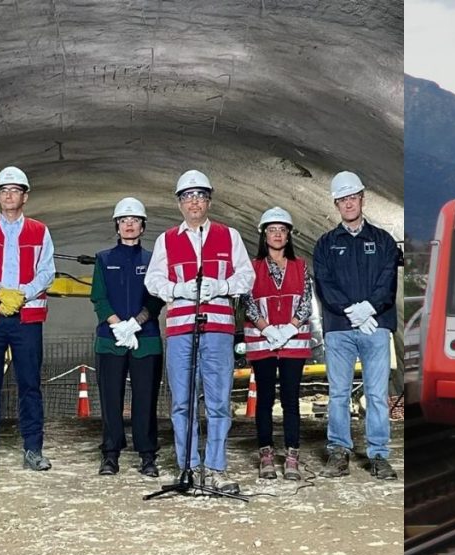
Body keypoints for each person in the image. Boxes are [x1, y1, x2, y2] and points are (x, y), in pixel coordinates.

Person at [145, 169, 255, 494]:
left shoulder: (229, 236)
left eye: (199, 196)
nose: (194, 202)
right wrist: (179, 290)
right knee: (182, 402)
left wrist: (221, 285)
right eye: (187, 197)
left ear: (209, 201)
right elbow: (152, 281)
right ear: (180, 204)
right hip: (180, 331)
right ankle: (189, 468)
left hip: (219, 331)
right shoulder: (166, 240)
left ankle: (215, 469)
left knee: (219, 401)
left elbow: (247, 277)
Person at [0, 166, 55, 471]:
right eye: (3, 191)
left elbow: (47, 272)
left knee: (30, 383)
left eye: (14, 191)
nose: (8, 196)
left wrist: (24, 295)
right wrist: (1, 293)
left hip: (26, 318)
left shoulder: (40, 231)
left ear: (25, 196)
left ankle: (33, 448)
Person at [313, 171, 398, 480]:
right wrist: (352, 311)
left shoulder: (383, 241)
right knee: (338, 393)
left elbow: (387, 280)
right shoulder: (325, 244)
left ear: (362, 199)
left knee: (376, 394)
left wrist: (369, 309)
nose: (348, 203)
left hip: (375, 327)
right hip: (339, 328)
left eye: (352, 197)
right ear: (336, 204)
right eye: (342, 199)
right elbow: (325, 283)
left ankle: (379, 454)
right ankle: (338, 451)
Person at [90, 197, 165, 477]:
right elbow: (98, 297)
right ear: (117, 226)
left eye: (135, 220)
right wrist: (118, 325)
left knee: (146, 398)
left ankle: (147, 455)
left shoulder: (154, 259)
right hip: (111, 340)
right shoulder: (104, 259)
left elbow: (158, 297)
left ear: (143, 227)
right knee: (111, 398)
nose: (129, 224)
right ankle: (110, 454)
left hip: (146, 339)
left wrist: (135, 323)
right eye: (124, 220)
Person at [243, 207, 312, 480]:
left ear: (289, 235)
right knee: (265, 400)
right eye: (272, 230)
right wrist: (267, 328)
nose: (277, 234)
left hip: (293, 342)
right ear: (264, 234)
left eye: (282, 230)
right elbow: (247, 300)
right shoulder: (252, 266)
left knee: (291, 399)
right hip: (263, 342)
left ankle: (292, 454)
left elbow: (306, 300)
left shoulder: (301, 265)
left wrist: (291, 328)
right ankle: (267, 454)